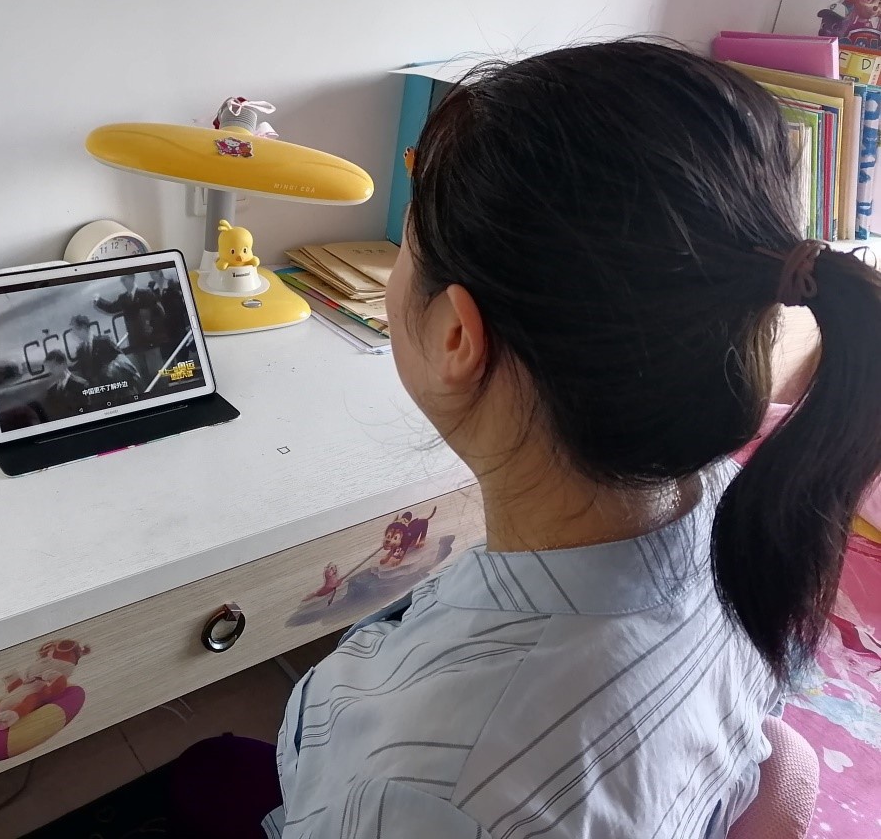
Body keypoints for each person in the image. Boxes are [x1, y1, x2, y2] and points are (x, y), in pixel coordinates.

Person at [167, 41, 881, 838]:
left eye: (404, 244)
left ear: (456, 336)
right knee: (213, 768)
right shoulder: (735, 518)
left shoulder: (431, 790)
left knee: (200, 776)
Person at [94, 274, 164, 380]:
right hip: (136, 342)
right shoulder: (123, 298)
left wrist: (153, 327)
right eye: (122, 280)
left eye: (125, 279)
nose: (123, 282)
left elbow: (158, 312)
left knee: (156, 373)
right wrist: (99, 301)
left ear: (132, 278)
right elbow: (112, 308)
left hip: (150, 342)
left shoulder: (145, 293)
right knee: (144, 375)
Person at [148, 268, 190, 360]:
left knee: (182, 358)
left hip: (177, 328)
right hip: (163, 332)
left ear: (159, 272)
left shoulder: (173, 286)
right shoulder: (153, 291)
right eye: (150, 274)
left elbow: (182, 307)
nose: (152, 276)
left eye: (153, 273)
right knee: (167, 359)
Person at [39, 349, 88, 421]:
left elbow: (86, 411)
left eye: (52, 367)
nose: (50, 371)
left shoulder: (81, 385)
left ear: (63, 365)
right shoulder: (51, 391)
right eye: (49, 368)